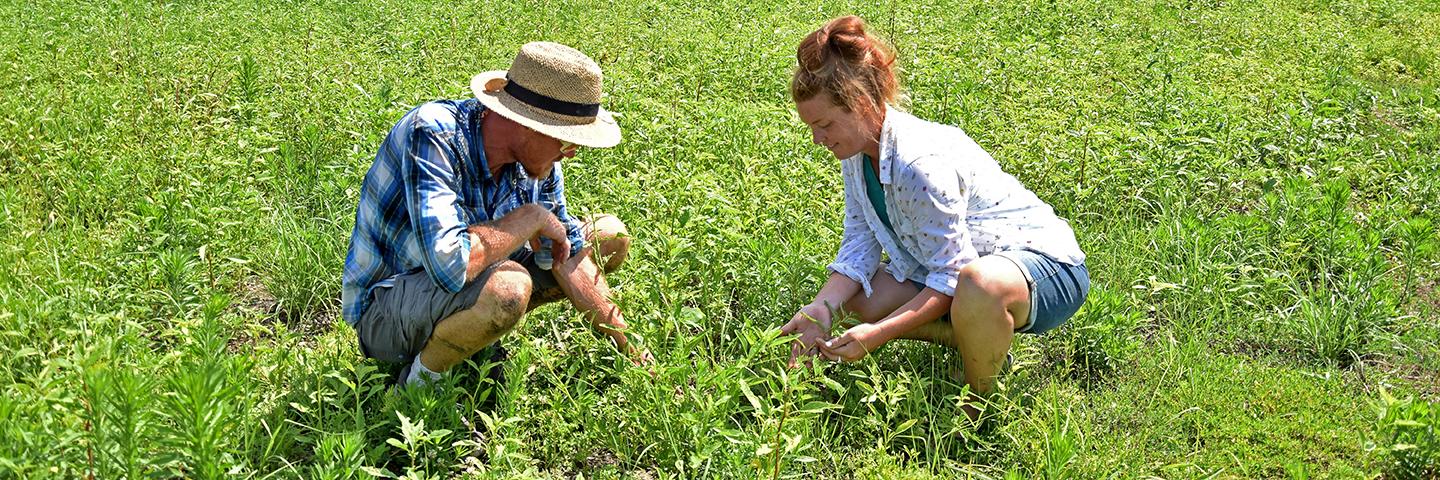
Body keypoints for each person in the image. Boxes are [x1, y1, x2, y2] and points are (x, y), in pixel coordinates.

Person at [779, 16, 1090, 419]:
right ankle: (980, 337)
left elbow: (951, 274)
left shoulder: (918, 164)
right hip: (965, 272)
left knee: (978, 285)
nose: (817, 139)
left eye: (823, 124)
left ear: (859, 104)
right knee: (857, 299)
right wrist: (820, 308)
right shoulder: (856, 155)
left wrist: (877, 336)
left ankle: (979, 404)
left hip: (1047, 270)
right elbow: (860, 242)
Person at [342, 42, 650, 387]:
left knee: (608, 236)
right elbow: (450, 268)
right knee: (509, 286)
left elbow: (567, 257)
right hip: (386, 312)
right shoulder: (432, 134)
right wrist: (528, 218)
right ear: (529, 124)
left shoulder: (538, 163)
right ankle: (419, 385)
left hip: (467, 284)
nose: (571, 154)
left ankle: (477, 331)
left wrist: (636, 354)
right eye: (566, 142)